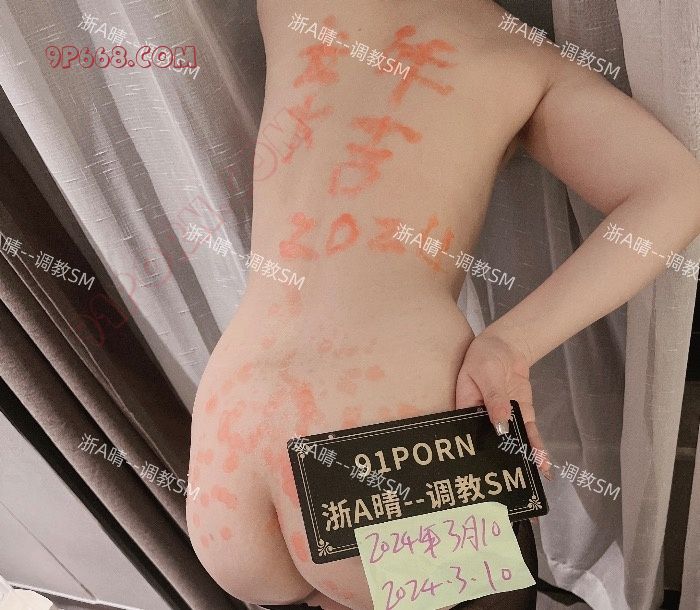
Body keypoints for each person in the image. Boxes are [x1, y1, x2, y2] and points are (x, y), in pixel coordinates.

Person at [186, 1, 700, 609]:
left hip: (232, 438)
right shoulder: (511, 53)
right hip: (391, 438)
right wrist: (511, 343)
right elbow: (677, 191)